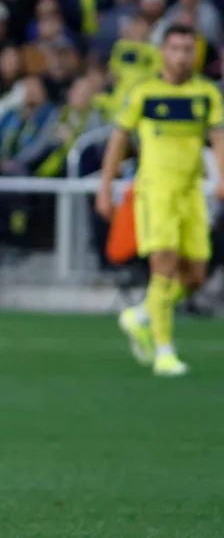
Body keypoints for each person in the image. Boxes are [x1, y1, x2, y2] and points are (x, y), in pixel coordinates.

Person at [97, 24, 224, 377]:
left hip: (191, 191)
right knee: (164, 266)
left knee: (196, 275)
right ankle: (164, 351)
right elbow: (118, 141)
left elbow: (217, 136)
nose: (182, 56)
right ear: (163, 52)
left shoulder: (206, 94)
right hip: (155, 190)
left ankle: (140, 315)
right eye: (175, 48)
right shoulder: (144, 92)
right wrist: (105, 188)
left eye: (188, 49)